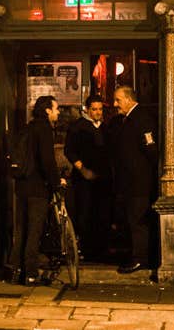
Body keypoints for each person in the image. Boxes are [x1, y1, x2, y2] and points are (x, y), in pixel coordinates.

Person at [9, 95, 66, 286]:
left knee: (22, 229)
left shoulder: (28, 127)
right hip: (37, 188)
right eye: (56, 109)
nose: (58, 112)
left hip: (22, 186)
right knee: (35, 230)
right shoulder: (44, 130)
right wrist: (57, 182)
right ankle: (31, 274)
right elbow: (47, 161)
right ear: (47, 110)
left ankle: (16, 271)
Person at [108, 86, 159, 274]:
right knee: (132, 220)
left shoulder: (141, 119)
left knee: (138, 221)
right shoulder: (126, 119)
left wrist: (142, 172)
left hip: (139, 182)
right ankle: (136, 255)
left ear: (129, 99)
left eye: (118, 100)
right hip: (129, 183)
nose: (115, 104)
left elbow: (151, 150)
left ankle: (140, 259)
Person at [64, 95, 108, 260]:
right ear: (87, 109)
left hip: (102, 178)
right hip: (83, 178)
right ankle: (85, 249)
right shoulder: (77, 127)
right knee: (84, 212)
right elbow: (69, 150)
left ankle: (100, 249)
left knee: (101, 213)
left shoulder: (105, 127)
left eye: (100, 109)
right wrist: (82, 169)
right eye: (94, 109)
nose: (98, 113)